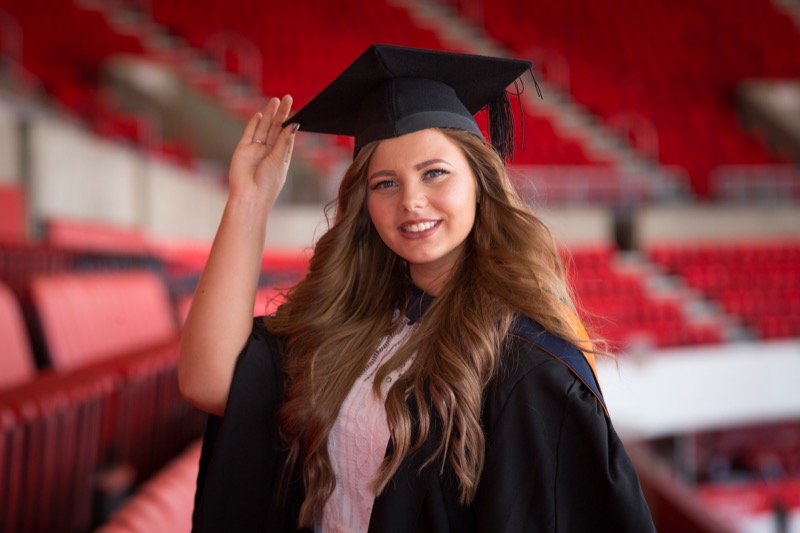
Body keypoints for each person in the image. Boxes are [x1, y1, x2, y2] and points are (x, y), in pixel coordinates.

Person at [180, 44, 656, 532]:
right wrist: (249, 201)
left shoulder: (525, 362)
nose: (411, 201)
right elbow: (209, 382)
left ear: (480, 181)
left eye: (434, 174)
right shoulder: (354, 325)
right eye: (385, 183)